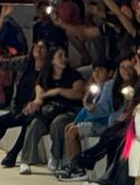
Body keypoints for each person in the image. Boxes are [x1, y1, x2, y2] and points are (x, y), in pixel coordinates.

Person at [14, 46, 86, 174]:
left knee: (58, 123)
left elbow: (79, 93)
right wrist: (33, 105)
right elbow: (39, 97)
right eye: (60, 56)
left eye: (65, 55)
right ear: (52, 60)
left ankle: (55, 156)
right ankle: (26, 161)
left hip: (69, 111)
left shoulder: (74, 75)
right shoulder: (44, 76)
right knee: (35, 124)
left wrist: (58, 91)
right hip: (49, 112)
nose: (64, 59)